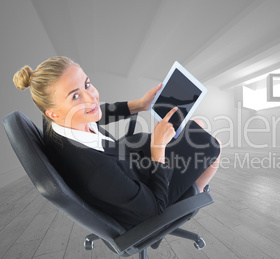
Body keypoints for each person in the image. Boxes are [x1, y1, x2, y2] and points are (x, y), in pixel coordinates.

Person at [13, 56, 221, 229]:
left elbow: (97, 114)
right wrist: (158, 149)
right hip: (148, 199)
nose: (91, 98)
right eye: (76, 96)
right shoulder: (95, 170)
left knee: (194, 125)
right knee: (212, 145)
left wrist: (139, 105)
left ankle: (188, 189)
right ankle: (189, 201)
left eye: (87, 84)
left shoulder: (55, 120)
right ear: (54, 112)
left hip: (127, 164)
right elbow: (154, 209)